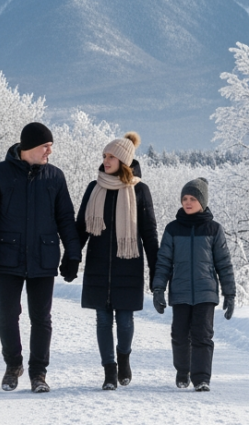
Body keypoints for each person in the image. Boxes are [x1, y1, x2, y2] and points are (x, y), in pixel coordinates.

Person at [0, 122, 82, 394]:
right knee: (7, 315)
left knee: (41, 318)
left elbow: (66, 219)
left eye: (51, 147)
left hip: (43, 258)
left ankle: (38, 373)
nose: (49, 152)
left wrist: (73, 254)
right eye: (46, 146)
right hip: (7, 257)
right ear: (30, 146)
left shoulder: (55, 177)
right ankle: (13, 366)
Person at [75, 131, 160, 390]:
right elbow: (81, 227)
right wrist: (71, 255)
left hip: (128, 264)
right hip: (98, 265)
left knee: (124, 321)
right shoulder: (95, 188)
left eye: (111, 156)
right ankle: (109, 371)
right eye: (104, 155)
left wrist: (157, 270)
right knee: (102, 320)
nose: (105, 160)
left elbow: (149, 232)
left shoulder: (140, 191)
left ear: (123, 160)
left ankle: (124, 358)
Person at [151, 177, 236, 392]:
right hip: (179, 292)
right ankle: (182, 370)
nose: (187, 202)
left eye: (193, 198)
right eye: (184, 198)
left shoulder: (213, 229)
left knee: (203, 336)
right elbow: (163, 262)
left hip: (205, 293)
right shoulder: (172, 229)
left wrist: (230, 294)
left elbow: (224, 264)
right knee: (179, 335)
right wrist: (158, 289)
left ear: (203, 201)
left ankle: (201, 378)